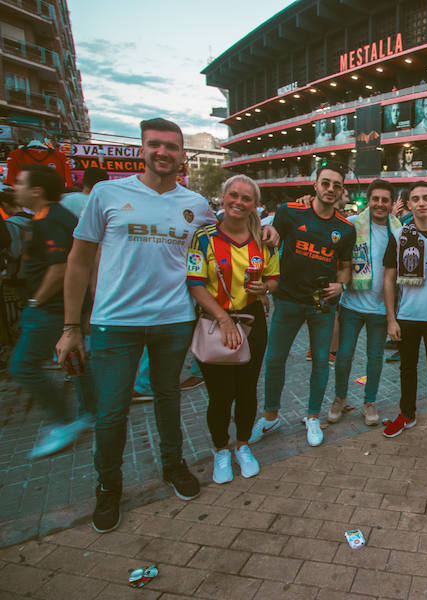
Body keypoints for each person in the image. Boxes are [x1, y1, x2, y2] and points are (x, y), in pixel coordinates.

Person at [55, 118, 277, 533]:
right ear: (142, 148)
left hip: (174, 320)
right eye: (155, 145)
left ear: (181, 155)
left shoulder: (194, 204)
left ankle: (173, 466)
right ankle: (109, 486)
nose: (163, 153)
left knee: (167, 399)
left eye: (171, 147)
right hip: (114, 321)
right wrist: (71, 326)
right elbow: (79, 259)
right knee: (111, 411)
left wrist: (268, 229)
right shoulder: (107, 193)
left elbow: (229, 234)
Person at [254, 162, 354, 447]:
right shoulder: (289, 212)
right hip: (286, 300)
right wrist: (269, 237)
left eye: (336, 185)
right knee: (274, 359)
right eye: (326, 183)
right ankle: (271, 416)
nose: (330, 189)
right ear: (315, 185)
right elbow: (271, 242)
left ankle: (312, 417)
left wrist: (342, 284)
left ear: (342, 190)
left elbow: (346, 268)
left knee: (321, 363)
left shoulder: (345, 228)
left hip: (322, 305)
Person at [187, 175, 279, 483]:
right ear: (223, 197)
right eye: (233, 195)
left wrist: (265, 287)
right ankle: (221, 450)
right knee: (220, 393)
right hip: (215, 322)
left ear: (255, 205)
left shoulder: (263, 238)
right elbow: (196, 284)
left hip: (252, 321)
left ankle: (242, 445)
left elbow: (274, 278)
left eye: (246, 198)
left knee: (247, 388)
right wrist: (224, 320)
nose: (238, 202)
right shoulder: (204, 237)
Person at [9, 165, 94, 458]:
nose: (14, 187)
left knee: (22, 365)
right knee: (75, 360)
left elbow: (60, 268)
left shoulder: (52, 219)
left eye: (20, 182)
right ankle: (89, 412)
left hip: (51, 309)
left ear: (37, 190)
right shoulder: (47, 217)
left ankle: (65, 420)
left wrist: (37, 301)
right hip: (61, 308)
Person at [382, 181, 427, 449]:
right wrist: (391, 319)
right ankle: (407, 414)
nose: (422, 202)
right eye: (416, 198)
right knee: (406, 369)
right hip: (407, 316)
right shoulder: (400, 235)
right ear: (409, 204)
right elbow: (389, 279)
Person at [327, 180, 402, 427]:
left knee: (374, 358)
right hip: (352, 305)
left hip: (381, 308)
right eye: (375, 199)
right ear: (369, 200)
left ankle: (369, 401)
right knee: (344, 356)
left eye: (385, 200)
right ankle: (339, 398)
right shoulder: (351, 226)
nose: (380, 204)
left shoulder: (398, 229)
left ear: (392, 204)